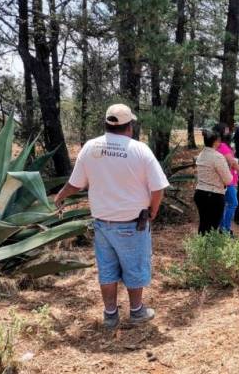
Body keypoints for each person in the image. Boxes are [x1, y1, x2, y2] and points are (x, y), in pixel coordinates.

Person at [54, 103, 169, 328]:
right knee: (134, 266)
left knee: (107, 269)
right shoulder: (139, 149)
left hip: (102, 224)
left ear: (106, 124)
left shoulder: (90, 148)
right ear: (130, 126)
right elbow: (158, 188)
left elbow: (75, 184)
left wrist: (60, 196)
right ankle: (136, 311)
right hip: (132, 224)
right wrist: (153, 210)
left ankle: (110, 315)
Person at [194, 129, 233, 235]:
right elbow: (228, 180)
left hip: (200, 193)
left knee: (203, 225)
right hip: (214, 195)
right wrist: (229, 167)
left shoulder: (201, 155)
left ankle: (201, 248)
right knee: (212, 228)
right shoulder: (217, 157)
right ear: (216, 141)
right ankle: (209, 250)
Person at [213, 123, 239, 234]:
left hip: (222, 179)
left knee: (224, 204)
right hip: (227, 180)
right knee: (233, 203)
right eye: (226, 131)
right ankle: (225, 228)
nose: (229, 133)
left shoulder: (217, 146)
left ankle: (223, 227)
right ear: (220, 132)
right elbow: (231, 161)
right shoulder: (222, 146)